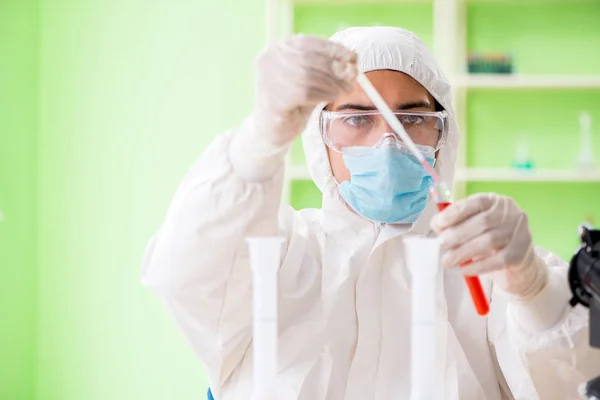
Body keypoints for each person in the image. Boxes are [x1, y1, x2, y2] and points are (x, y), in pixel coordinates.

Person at [141, 27, 599, 399]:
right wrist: (257, 141)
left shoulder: (488, 264)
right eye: (358, 119)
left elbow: (576, 380)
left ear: (444, 135)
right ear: (321, 138)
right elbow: (184, 274)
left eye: (413, 119)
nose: (387, 142)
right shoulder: (281, 251)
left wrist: (532, 286)